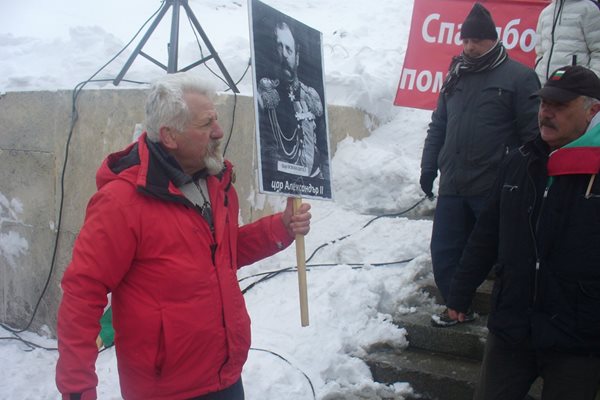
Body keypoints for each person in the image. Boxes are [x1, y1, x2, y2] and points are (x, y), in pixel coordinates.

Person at [55, 72, 312, 400]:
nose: (219, 131)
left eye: (216, 119)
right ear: (170, 136)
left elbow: (222, 252)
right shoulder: (121, 203)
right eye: (206, 124)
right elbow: (82, 294)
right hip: (167, 389)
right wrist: (77, 391)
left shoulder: (217, 183)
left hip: (226, 374)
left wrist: (281, 228)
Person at [446, 65, 600, 400]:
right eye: (544, 103)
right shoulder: (521, 159)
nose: (546, 112)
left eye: (560, 106)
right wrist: (461, 290)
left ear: (593, 110)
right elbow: (487, 231)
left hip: (579, 336)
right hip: (512, 326)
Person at [419, 2, 541, 327]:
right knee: (444, 250)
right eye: (465, 40)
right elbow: (439, 125)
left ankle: (507, 315)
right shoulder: (454, 76)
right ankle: (456, 309)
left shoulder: (520, 77)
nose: (469, 47)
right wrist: (428, 166)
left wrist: (527, 179)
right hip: (455, 181)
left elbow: (533, 136)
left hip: (494, 185)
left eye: (476, 40)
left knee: (498, 252)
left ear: (493, 39)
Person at [257, 20, 327, 179]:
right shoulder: (264, 93)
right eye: (279, 47)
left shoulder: (311, 96)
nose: (284, 54)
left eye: (289, 48)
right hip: (279, 181)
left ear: (297, 55)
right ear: (274, 52)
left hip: (314, 179)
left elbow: (324, 147)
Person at [534, 0, 600, 84]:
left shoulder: (589, 9)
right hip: (545, 88)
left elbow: (597, 51)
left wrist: (592, 83)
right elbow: (540, 53)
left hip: (575, 88)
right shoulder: (546, 13)